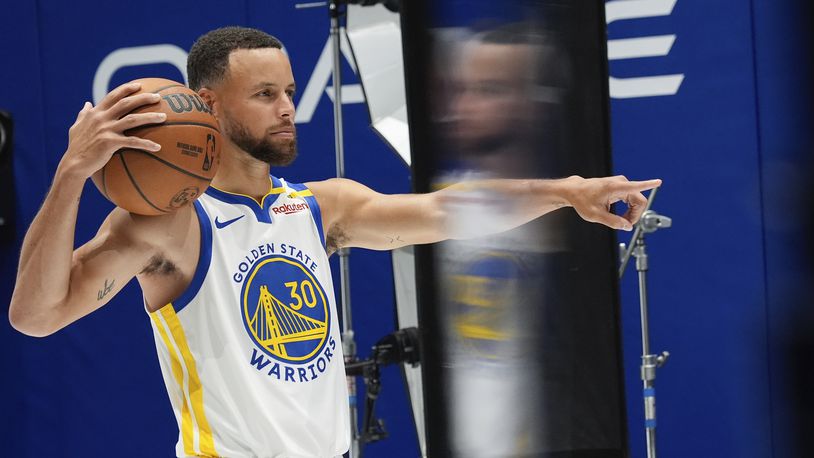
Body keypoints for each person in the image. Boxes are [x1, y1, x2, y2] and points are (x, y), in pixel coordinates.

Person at [8, 26, 660, 458]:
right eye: (265, 94)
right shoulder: (171, 225)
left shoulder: (319, 207)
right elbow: (36, 316)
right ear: (207, 105)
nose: (288, 107)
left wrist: (568, 191)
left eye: (289, 91)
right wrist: (71, 176)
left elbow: (444, 210)